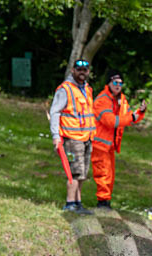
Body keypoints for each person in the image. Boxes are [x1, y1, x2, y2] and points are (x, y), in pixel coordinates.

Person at [91, 69, 146, 210]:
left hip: (110, 145)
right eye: (115, 82)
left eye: (120, 83)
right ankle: (102, 203)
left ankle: (106, 201)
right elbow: (111, 121)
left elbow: (129, 117)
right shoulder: (102, 100)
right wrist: (131, 117)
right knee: (103, 174)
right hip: (99, 144)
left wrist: (140, 113)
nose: (118, 86)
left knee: (110, 174)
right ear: (108, 83)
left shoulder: (121, 99)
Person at [49, 59, 96, 214]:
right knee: (74, 172)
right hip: (72, 137)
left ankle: (78, 203)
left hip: (87, 137)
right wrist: (56, 136)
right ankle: (70, 204)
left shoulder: (87, 89)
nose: (82, 72)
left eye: (85, 70)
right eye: (79, 70)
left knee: (82, 173)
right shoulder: (65, 89)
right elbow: (55, 112)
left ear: (88, 72)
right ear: (73, 71)